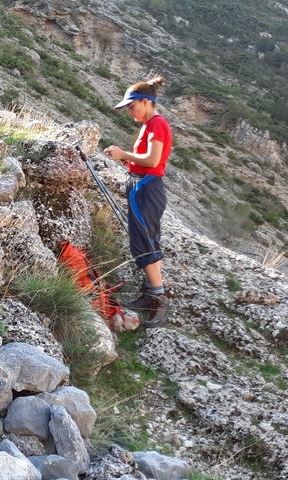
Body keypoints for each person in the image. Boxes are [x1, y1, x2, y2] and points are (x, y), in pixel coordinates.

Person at [103, 75, 173, 327]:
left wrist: (124, 154)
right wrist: (126, 159)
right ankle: (150, 291)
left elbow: (153, 161)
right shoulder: (150, 125)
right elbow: (147, 158)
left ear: (145, 102)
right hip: (144, 185)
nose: (129, 112)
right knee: (148, 239)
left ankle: (159, 298)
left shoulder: (156, 124)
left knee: (144, 243)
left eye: (131, 106)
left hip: (145, 186)